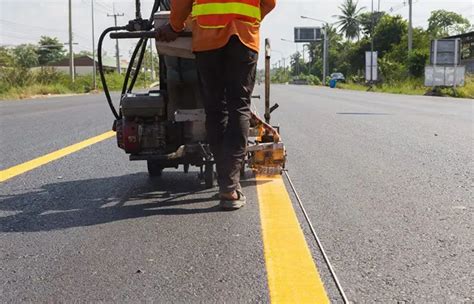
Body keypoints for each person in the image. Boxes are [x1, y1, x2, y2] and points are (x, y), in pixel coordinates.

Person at [157, 0, 276, 210]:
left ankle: (226, 183)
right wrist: (248, 21)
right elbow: (270, 3)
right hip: (243, 38)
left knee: (215, 109)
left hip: (208, 40)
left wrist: (175, 27)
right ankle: (229, 186)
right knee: (238, 107)